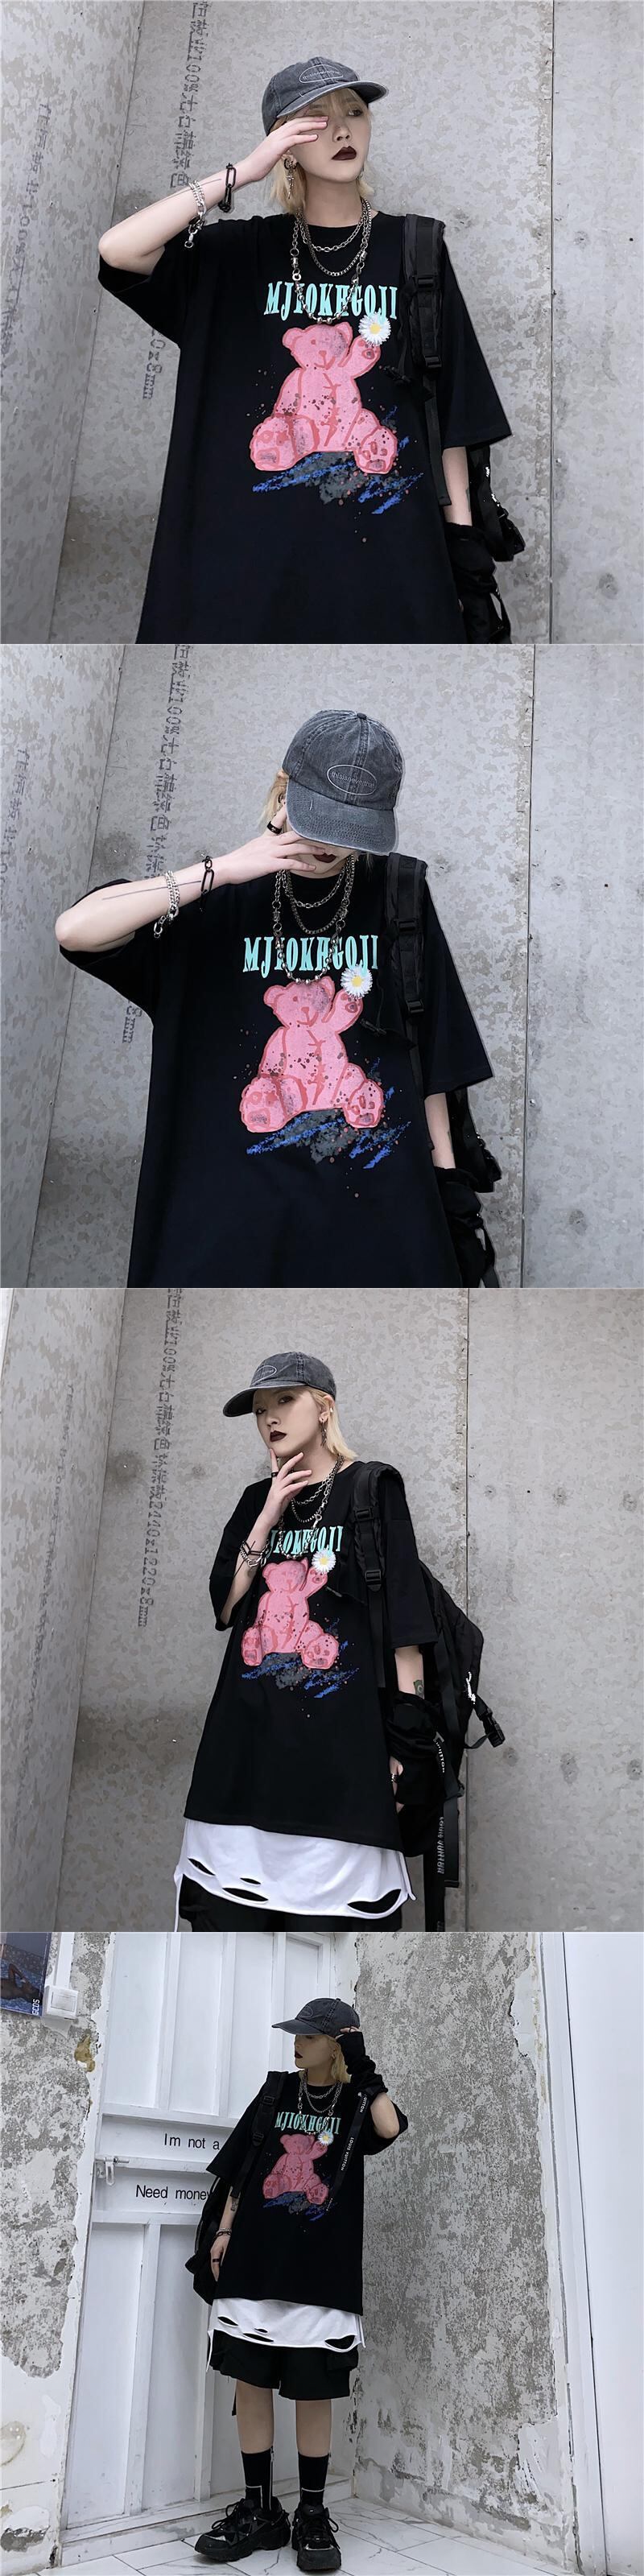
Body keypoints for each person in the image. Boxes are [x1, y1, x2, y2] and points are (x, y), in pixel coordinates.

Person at [54, 706, 493, 1288]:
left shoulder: (399, 894)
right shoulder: (215, 901)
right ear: (284, 788)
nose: (331, 844)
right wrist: (223, 869)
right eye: (322, 820)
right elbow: (75, 931)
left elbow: (431, 1058)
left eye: (352, 829)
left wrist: (450, 1192)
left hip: (379, 1220)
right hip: (230, 1224)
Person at [97, 50, 512, 642]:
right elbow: (118, 251)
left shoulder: (415, 248)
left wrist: (464, 551)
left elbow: (450, 410)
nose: (343, 129)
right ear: (285, 143)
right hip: (247, 559)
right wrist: (244, 171)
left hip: (387, 558)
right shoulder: (235, 256)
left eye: (355, 111)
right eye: (317, 118)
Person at [175, 1351, 438, 1932]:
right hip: (246, 1752)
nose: (270, 1417)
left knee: (341, 1940)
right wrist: (268, 1513)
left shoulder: (373, 1488)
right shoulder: (256, 1500)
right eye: (260, 1409)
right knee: (228, 1933)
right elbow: (226, 1606)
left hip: (341, 1758)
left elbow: (406, 1626)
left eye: (284, 1400)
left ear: (324, 1408)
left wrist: (409, 1744)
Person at [194, 1996, 407, 2570]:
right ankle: (260, 2509)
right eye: (297, 2034)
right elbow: (243, 2171)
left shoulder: (358, 2101)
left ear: (335, 2045)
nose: (298, 2043)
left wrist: (363, 2066)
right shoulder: (276, 2093)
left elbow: (390, 2127)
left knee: (314, 2390)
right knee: (250, 2381)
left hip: (321, 2270)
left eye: (310, 2036)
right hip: (255, 2260)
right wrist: (224, 2231)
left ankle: (311, 2513)